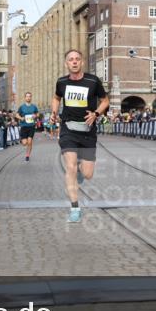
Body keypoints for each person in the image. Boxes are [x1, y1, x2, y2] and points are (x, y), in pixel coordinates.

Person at [51, 49, 109, 223]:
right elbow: (56, 98)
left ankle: (81, 172)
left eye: (77, 59)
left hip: (88, 131)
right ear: (66, 63)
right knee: (70, 167)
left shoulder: (93, 81)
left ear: (82, 62)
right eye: (71, 59)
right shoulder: (61, 82)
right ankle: (75, 207)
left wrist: (96, 114)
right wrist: (54, 111)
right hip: (68, 129)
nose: (74, 62)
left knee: (88, 174)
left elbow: (105, 100)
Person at [17, 92, 39, 161]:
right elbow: (17, 115)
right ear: (25, 98)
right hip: (24, 126)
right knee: (24, 143)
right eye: (27, 96)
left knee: (30, 142)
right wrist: (21, 118)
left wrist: (35, 115)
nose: (28, 98)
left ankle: (27, 155)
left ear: (31, 97)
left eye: (30, 96)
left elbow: (38, 113)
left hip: (31, 126)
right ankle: (22, 140)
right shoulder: (22, 107)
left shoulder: (34, 106)